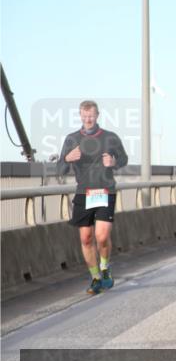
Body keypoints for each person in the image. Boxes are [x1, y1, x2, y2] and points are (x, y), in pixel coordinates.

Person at [57, 100, 129, 295]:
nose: (88, 119)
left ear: (97, 115)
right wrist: (66, 159)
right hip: (83, 192)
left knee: (102, 236)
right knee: (86, 238)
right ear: (80, 116)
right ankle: (96, 278)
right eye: (85, 116)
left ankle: (105, 267)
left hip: (105, 190)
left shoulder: (110, 137)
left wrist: (113, 162)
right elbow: (60, 169)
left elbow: (124, 159)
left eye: (91, 116)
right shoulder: (72, 139)